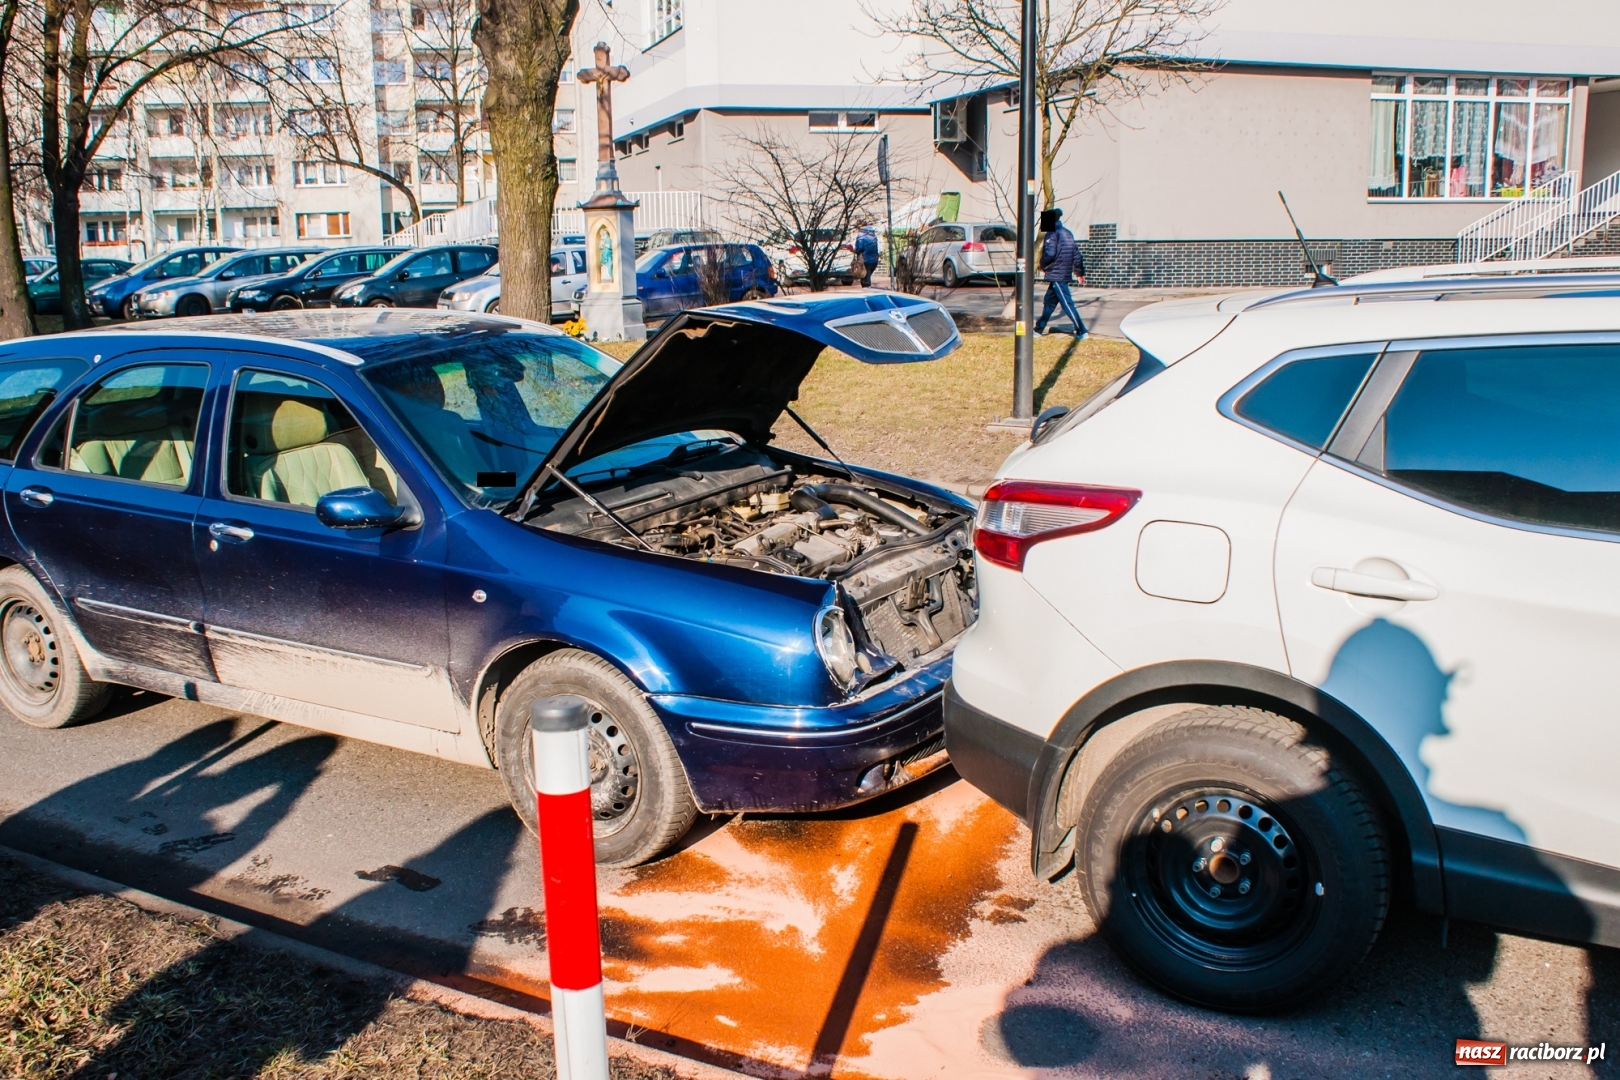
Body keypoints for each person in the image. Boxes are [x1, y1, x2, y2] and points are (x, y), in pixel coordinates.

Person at [1032, 207, 1087, 338]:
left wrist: (1042, 264)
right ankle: (1038, 329)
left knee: (1067, 303)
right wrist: (1079, 272)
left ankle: (1082, 331)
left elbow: (1050, 254)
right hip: (1062, 273)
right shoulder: (1068, 233)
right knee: (1049, 303)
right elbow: (1077, 255)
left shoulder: (1051, 234)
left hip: (1056, 274)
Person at [854, 224, 881, 288]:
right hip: (874, 260)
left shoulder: (861, 236)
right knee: (867, 276)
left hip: (865, 259)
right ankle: (867, 288)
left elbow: (859, 248)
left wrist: (855, 250)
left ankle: (866, 292)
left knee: (865, 278)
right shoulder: (873, 235)